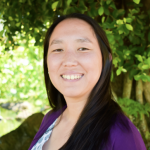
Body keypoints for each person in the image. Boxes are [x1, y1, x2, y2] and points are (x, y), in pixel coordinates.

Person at [28, 13, 146, 150]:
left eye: (83, 48)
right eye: (58, 49)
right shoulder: (51, 118)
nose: (69, 61)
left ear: (106, 59)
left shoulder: (121, 135)